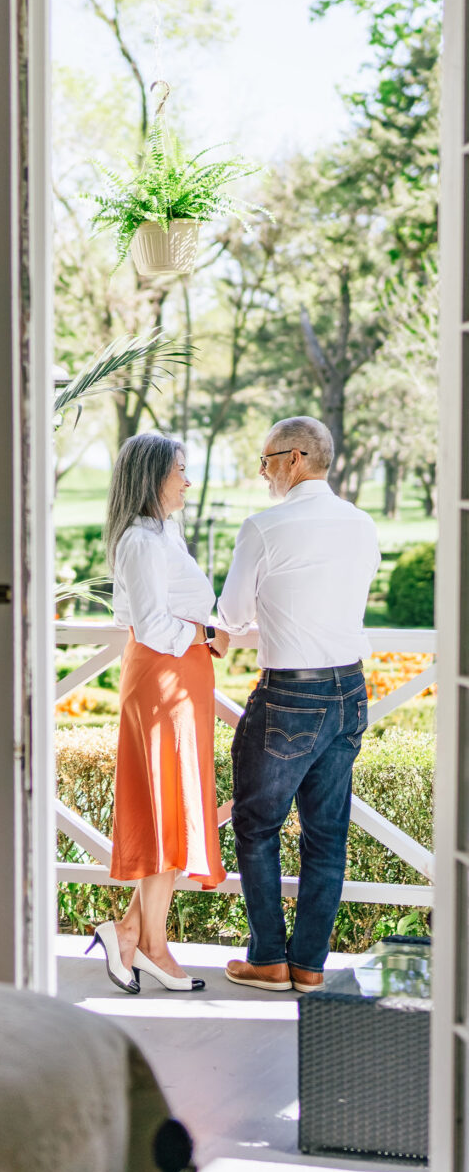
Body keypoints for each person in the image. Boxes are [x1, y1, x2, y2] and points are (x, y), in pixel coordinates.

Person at [217, 416, 380, 993]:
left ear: (294, 459)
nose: (262, 473)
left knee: (256, 826)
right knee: (327, 834)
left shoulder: (265, 526)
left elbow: (232, 616)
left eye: (266, 460)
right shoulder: (362, 525)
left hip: (291, 691)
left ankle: (267, 957)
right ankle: (309, 964)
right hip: (350, 689)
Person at [87, 433, 230, 995]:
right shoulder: (142, 542)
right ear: (152, 477)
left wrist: (204, 635)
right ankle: (148, 944)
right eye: (179, 472)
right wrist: (203, 632)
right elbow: (148, 625)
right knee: (166, 809)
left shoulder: (163, 533)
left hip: (181, 677)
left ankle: (135, 936)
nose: (187, 482)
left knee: (172, 808)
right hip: (163, 678)